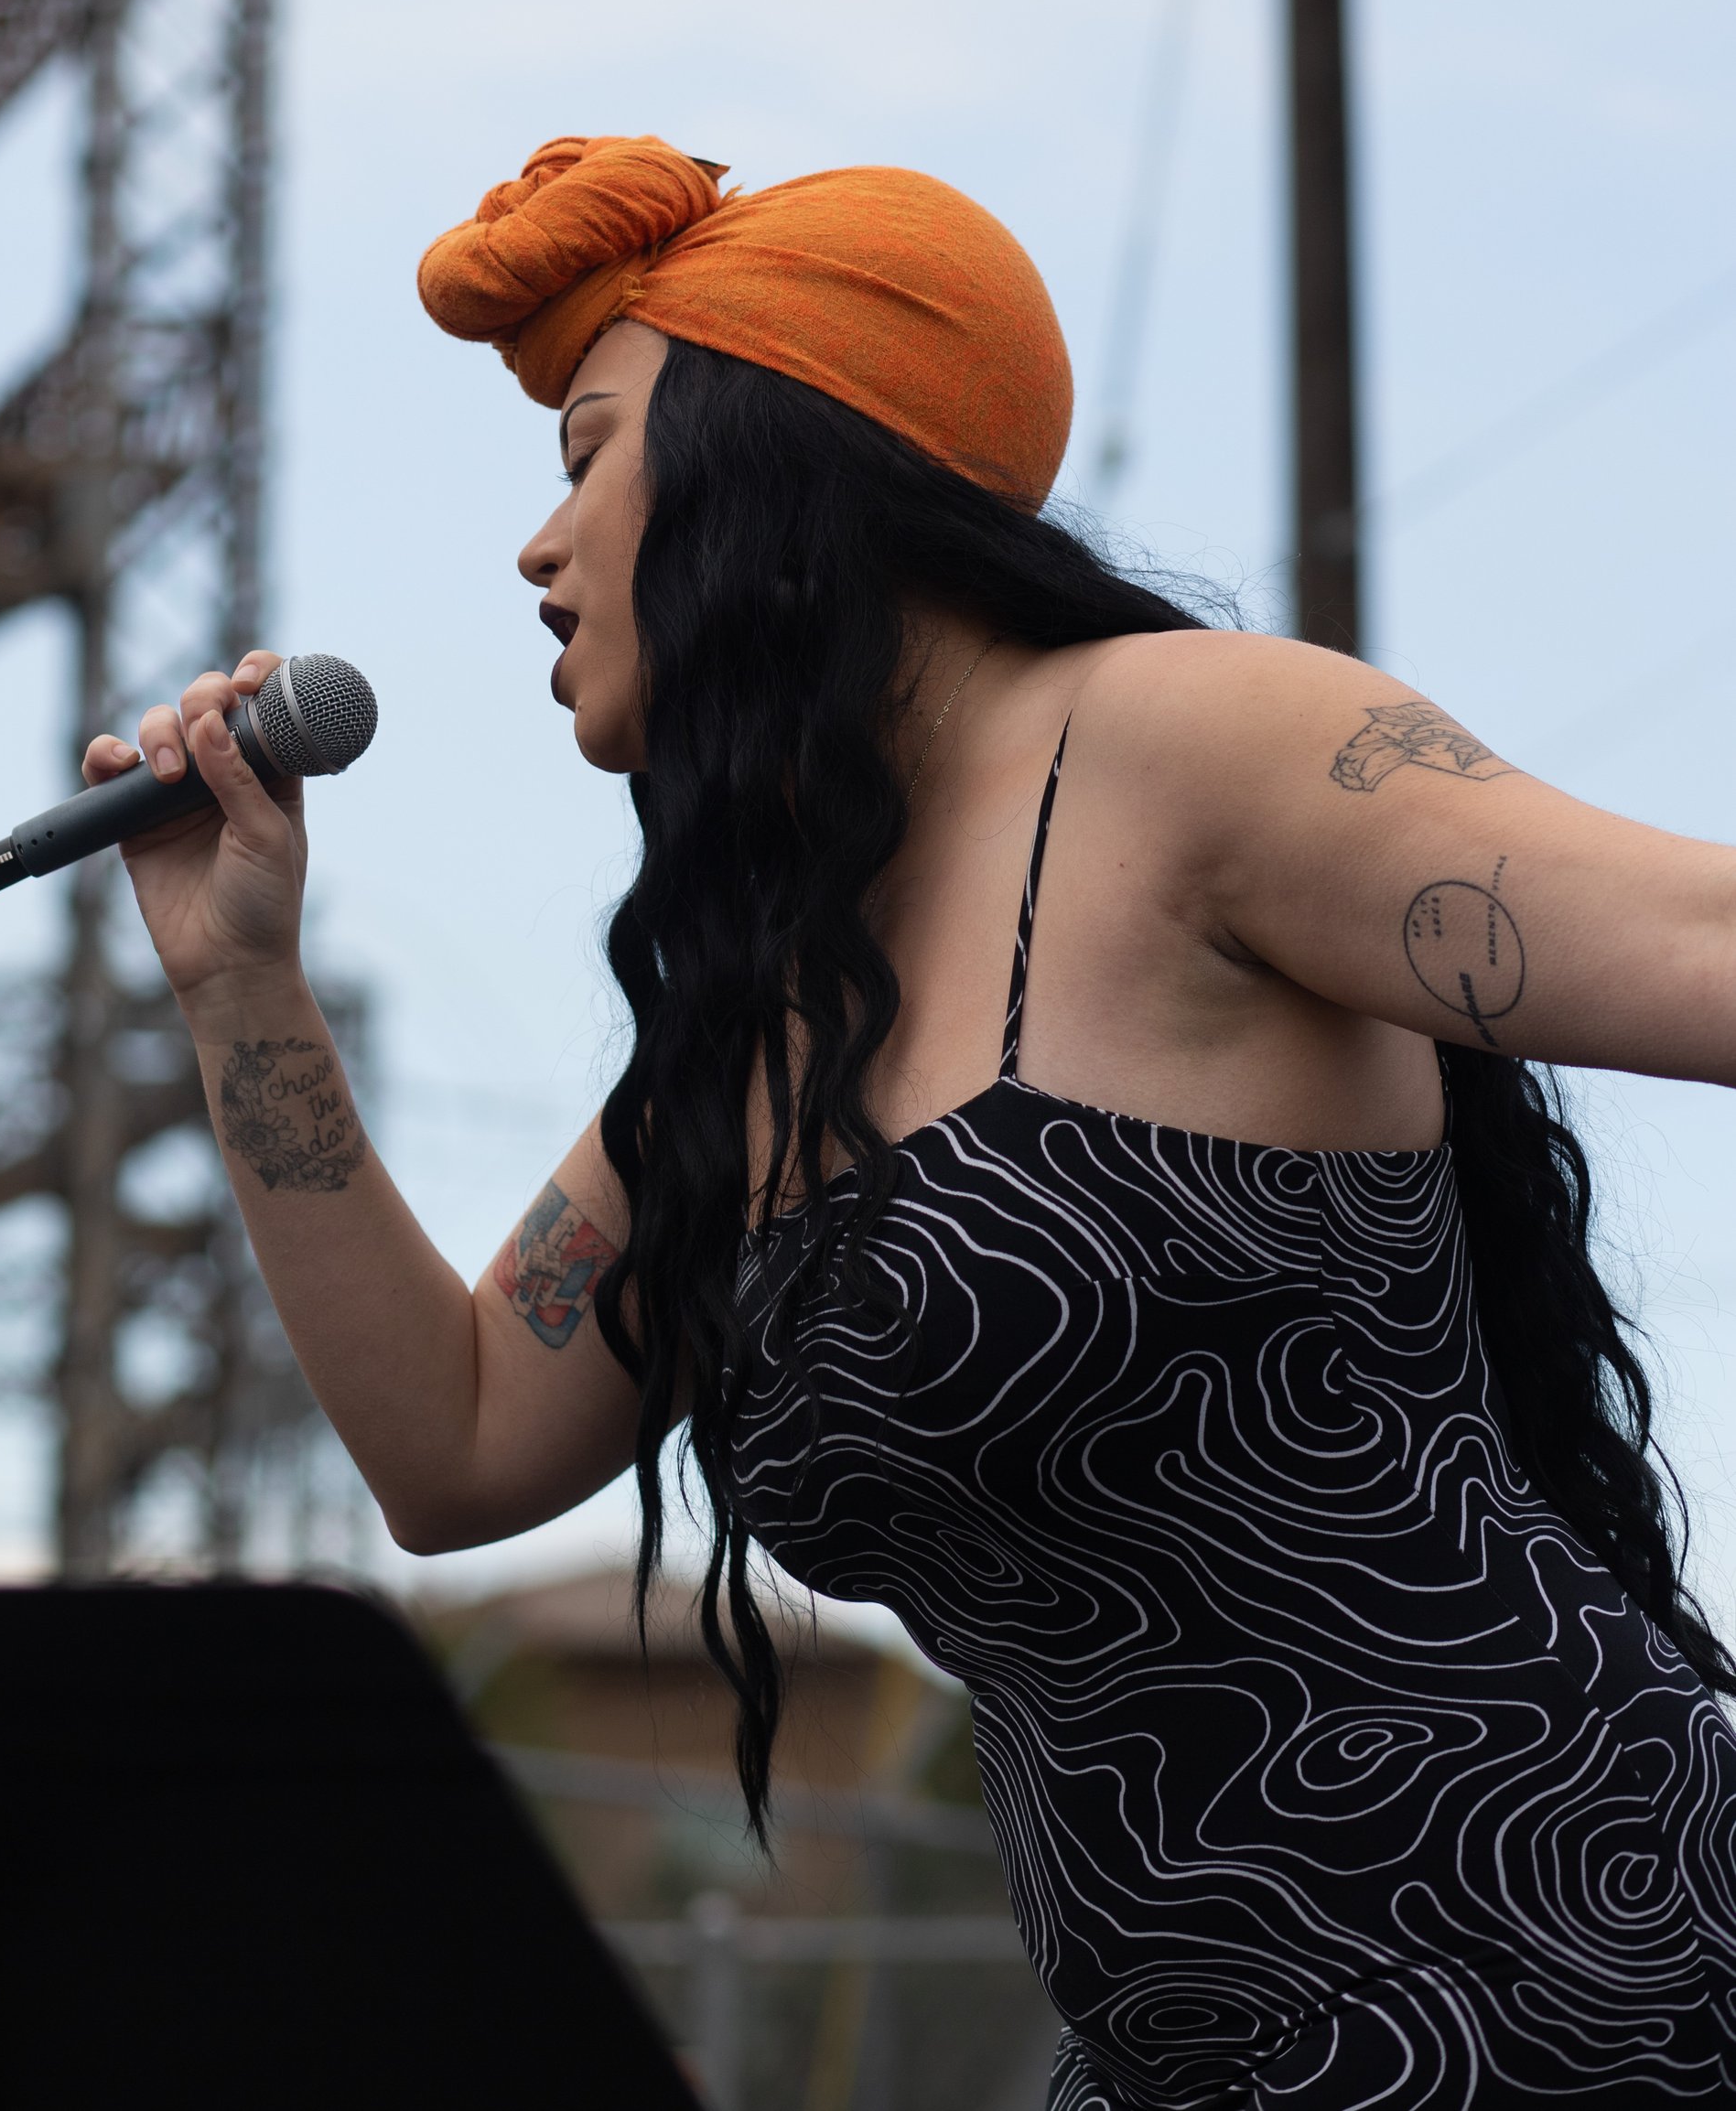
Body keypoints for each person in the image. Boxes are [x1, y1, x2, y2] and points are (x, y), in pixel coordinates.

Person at [87, 131, 1736, 2108]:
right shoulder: (749, 1047)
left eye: (588, 453)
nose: (538, 551)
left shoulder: (1175, 743)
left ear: (768, 452)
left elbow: (1698, 941)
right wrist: (237, 985)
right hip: (1177, 2051)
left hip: (1578, 1980)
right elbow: (450, 1446)